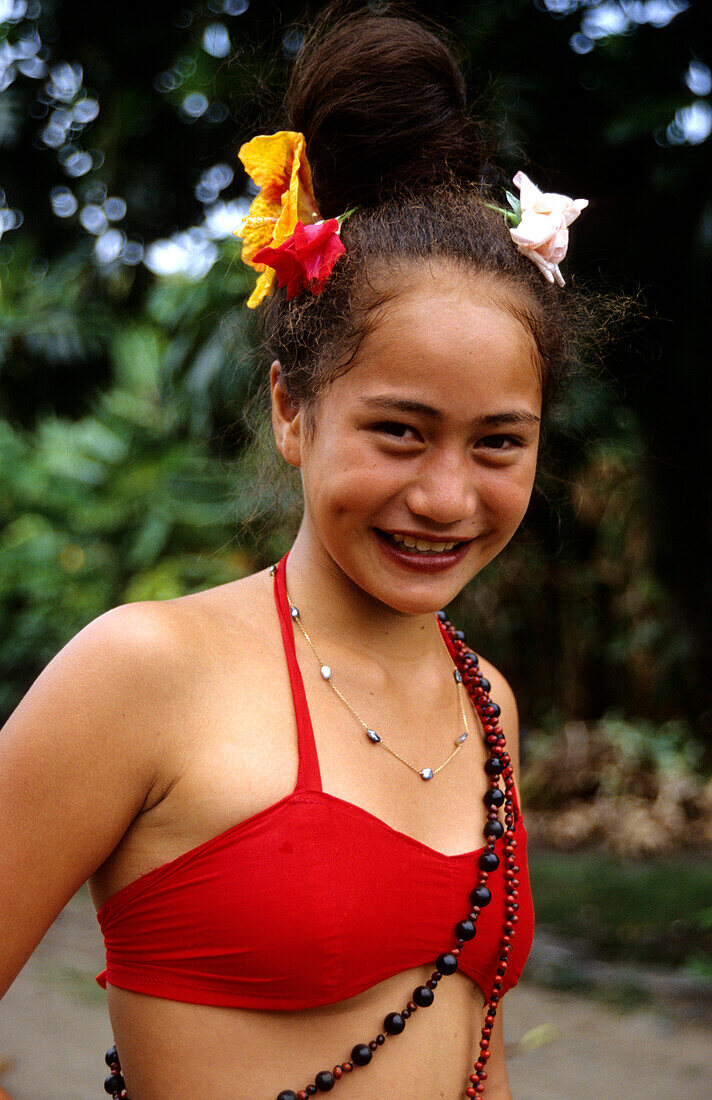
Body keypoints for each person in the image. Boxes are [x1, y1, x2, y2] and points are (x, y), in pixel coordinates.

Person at [0, 8, 590, 1099]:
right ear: (291, 409)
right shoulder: (145, 671)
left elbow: (478, 1049)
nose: (446, 495)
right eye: (400, 430)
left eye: (498, 441)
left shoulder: (485, 699)